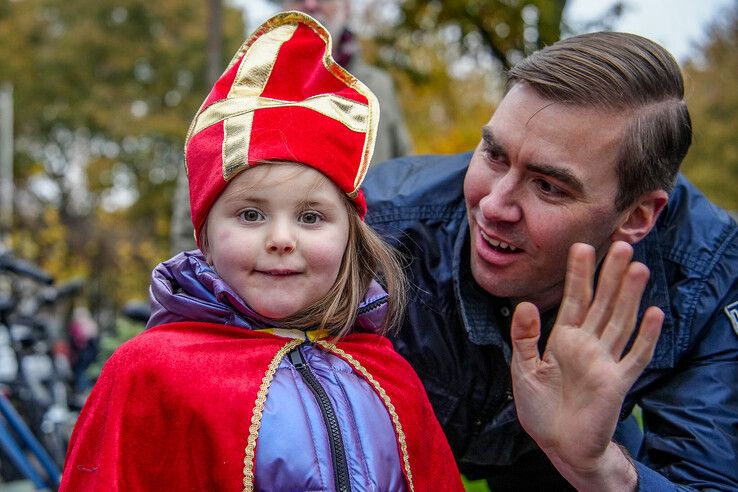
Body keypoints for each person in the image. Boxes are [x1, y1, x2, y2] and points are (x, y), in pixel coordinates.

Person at [60, 12, 463, 491]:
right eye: (251, 214)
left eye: (311, 217)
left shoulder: (389, 374)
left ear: (351, 237)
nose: (281, 238)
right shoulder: (148, 374)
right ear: (205, 238)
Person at [363, 32, 738, 490]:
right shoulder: (375, 228)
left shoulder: (704, 274)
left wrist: (596, 467)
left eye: (549, 187)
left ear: (637, 216)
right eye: (495, 155)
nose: (494, 206)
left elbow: (707, 480)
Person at [170, 0, 413, 254]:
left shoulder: (378, 88)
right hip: (255, 273)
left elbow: (406, 179)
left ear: (347, 7)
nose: (310, 3)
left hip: (368, 271)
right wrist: (195, 279)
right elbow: (197, 187)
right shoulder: (243, 86)